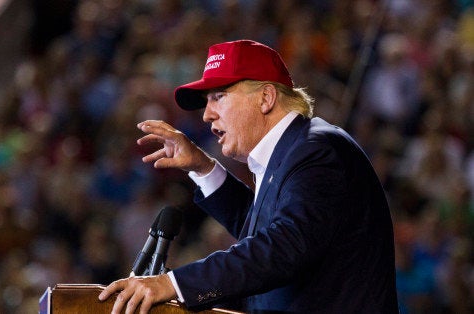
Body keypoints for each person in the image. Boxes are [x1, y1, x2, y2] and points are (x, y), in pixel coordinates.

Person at [98, 39, 399, 313]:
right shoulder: (294, 151)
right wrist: (203, 168)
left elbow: (284, 246)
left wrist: (173, 284)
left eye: (218, 96)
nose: (206, 115)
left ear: (266, 98)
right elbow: (267, 230)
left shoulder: (317, 151)